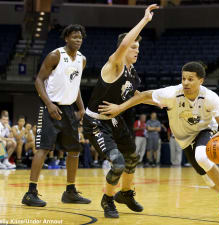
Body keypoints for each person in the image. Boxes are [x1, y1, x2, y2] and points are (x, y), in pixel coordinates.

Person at [98, 61, 219, 217]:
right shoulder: (172, 94)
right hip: (184, 140)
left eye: (190, 79)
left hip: (205, 130)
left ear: (201, 81)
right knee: (209, 183)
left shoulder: (209, 97)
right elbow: (145, 96)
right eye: (183, 78)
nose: (186, 82)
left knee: (201, 156)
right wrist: (120, 107)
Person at [82, 4, 159, 218]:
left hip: (114, 120)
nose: (137, 51)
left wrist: (161, 102)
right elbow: (125, 43)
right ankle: (107, 199)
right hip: (96, 121)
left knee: (132, 158)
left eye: (138, 48)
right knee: (118, 162)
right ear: (124, 50)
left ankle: (125, 193)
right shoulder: (114, 65)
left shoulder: (132, 74)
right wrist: (145, 20)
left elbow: (138, 96)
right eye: (134, 48)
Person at [21, 24, 91, 207]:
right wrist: (49, 104)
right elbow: (38, 80)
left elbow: (75, 88)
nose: (78, 40)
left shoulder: (82, 60)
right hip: (51, 107)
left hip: (69, 110)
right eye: (74, 37)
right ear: (66, 38)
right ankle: (30, 193)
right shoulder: (56, 55)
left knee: (74, 150)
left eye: (80, 37)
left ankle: (70, 191)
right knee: (43, 149)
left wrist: (82, 109)